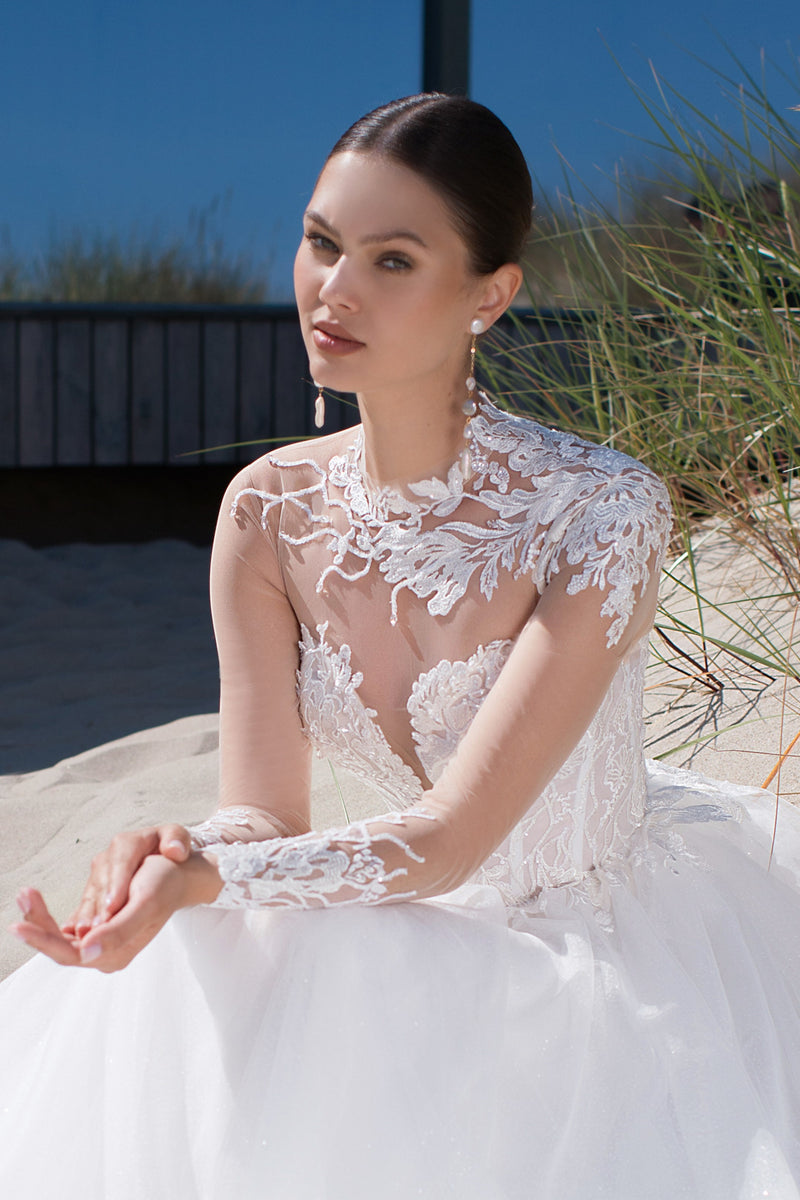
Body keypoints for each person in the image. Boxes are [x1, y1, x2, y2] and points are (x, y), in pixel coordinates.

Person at [2, 94, 800, 1200]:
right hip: (408, 900)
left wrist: (213, 875)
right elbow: (267, 818)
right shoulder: (264, 514)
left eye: (391, 260)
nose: (333, 289)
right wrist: (173, 854)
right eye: (322, 243)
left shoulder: (600, 512)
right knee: (197, 941)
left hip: (593, 945)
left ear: (489, 295)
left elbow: (450, 841)